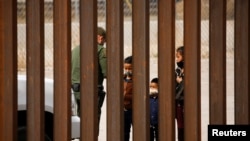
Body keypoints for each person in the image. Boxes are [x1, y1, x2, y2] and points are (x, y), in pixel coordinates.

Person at [71, 26, 107, 135]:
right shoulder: (101, 50)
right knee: (92, 123)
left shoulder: (76, 49)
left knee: (79, 121)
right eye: (105, 40)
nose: (104, 43)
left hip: (75, 91)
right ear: (100, 38)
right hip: (91, 92)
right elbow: (107, 73)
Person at [175, 46, 184, 141]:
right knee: (180, 129)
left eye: (178, 56)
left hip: (185, 104)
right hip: (178, 105)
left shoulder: (190, 71)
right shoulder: (177, 71)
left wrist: (181, 82)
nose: (176, 59)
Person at [123, 55, 133, 141]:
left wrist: (125, 96)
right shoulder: (122, 79)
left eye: (129, 68)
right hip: (124, 110)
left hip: (133, 110)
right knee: (125, 132)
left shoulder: (137, 80)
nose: (127, 71)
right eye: (125, 68)